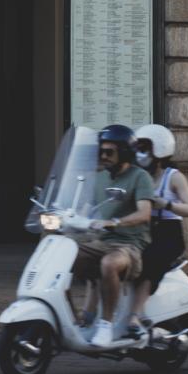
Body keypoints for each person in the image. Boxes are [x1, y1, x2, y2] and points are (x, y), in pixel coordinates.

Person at [73, 123, 155, 349]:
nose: (103, 156)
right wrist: (70, 218)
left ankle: (105, 324)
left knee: (109, 264)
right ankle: (78, 317)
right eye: (101, 151)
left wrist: (116, 222)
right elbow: (87, 207)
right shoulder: (100, 177)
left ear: (125, 152)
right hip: (102, 241)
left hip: (130, 245)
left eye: (109, 152)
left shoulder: (139, 177)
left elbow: (145, 213)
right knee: (66, 254)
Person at [133, 123, 188, 293]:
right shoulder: (139, 176)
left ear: (159, 151)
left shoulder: (174, 177)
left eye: (144, 149)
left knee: (149, 263)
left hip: (168, 234)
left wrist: (165, 204)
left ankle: (135, 315)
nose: (140, 155)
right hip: (143, 231)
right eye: (138, 149)